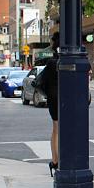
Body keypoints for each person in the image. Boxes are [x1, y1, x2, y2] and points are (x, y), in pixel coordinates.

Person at [39, 31, 60, 177]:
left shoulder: (51, 63)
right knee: (62, 130)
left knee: (56, 130)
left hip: (54, 99)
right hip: (68, 100)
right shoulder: (72, 60)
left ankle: (55, 161)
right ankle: (58, 160)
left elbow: (40, 82)